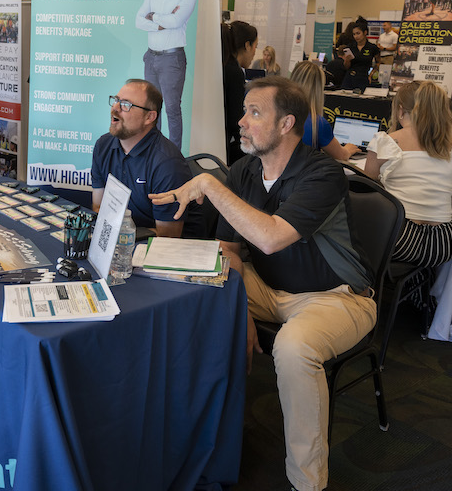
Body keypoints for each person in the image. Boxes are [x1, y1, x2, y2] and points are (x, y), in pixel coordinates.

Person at [150, 76, 374, 491]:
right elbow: (229, 251)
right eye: (245, 111)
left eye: (254, 113)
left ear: (287, 124)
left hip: (335, 298)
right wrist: (238, 306)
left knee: (293, 348)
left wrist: (208, 186)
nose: (241, 121)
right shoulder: (243, 170)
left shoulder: (323, 173)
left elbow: (271, 238)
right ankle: (195, 439)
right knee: (194, 291)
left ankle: (308, 483)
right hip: (267, 290)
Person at [364, 81, 452, 271]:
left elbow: (368, 184)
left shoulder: (387, 142)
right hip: (443, 242)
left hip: (401, 237)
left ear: (400, 110)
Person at [91, 79, 195, 238]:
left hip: (164, 252)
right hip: (124, 240)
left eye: (126, 104)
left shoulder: (167, 163)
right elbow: (98, 208)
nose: (115, 108)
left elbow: (167, 237)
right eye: (116, 100)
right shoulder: (103, 146)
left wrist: (125, 231)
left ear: (150, 117)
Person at [136, 0, 198, 148]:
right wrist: (162, 22)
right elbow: (138, 21)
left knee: (172, 109)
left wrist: (153, 16)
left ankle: (174, 156)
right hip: (151, 57)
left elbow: (176, 20)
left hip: (172, 59)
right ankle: (153, 150)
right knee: (152, 108)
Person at [288, 60, 360, 160]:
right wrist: (349, 149)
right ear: (318, 89)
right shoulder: (317, 124)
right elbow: (341, 156)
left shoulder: (278, 115)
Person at [222, 21, 258, 165]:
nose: (255, 53)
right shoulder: (234, 72)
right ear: (247, 45)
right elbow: (235, 120)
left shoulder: (221, 65)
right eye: (255, 46)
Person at [340, 19, 378, 90]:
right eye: (354, 34)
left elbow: (378, 63)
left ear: (365, 32)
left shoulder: (372, 47)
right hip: (350, 77)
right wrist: (347, 60)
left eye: (358, 33)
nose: (356, 36)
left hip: (364, 77)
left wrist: (371, 75)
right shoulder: (350, 47)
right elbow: (346, 67)